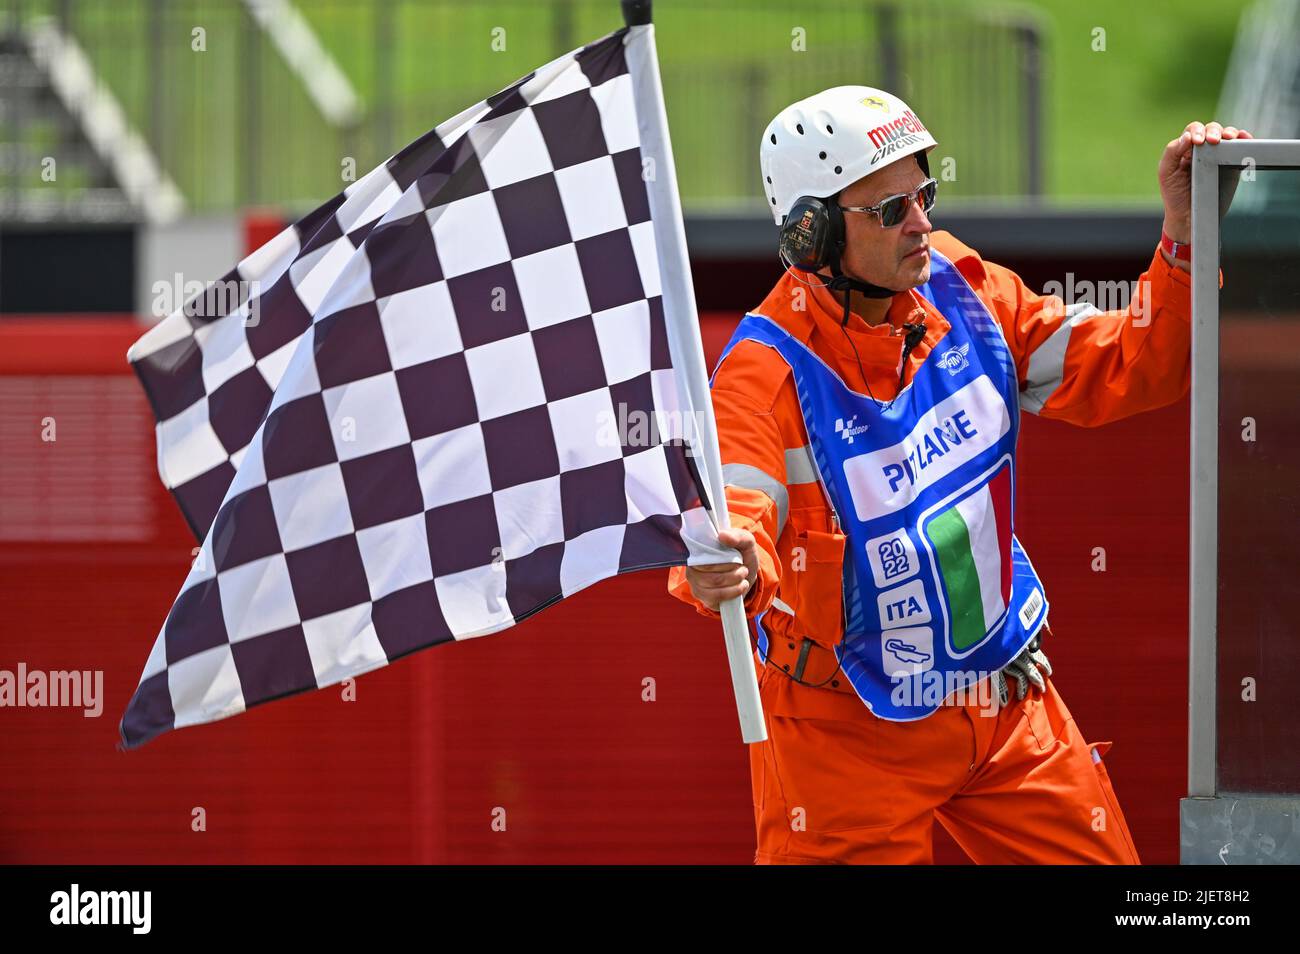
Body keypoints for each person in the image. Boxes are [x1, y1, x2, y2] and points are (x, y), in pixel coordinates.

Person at [666, 86, 1251, 864]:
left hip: (1005, 697)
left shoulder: (963, 285)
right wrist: (730, 561)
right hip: (842, 739)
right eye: (891, 210)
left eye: (924, 194)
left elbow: (1137, 364)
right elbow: (734, 526)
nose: (922, 224)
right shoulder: (758, 375)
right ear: (812, 234)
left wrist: (1188, 234)